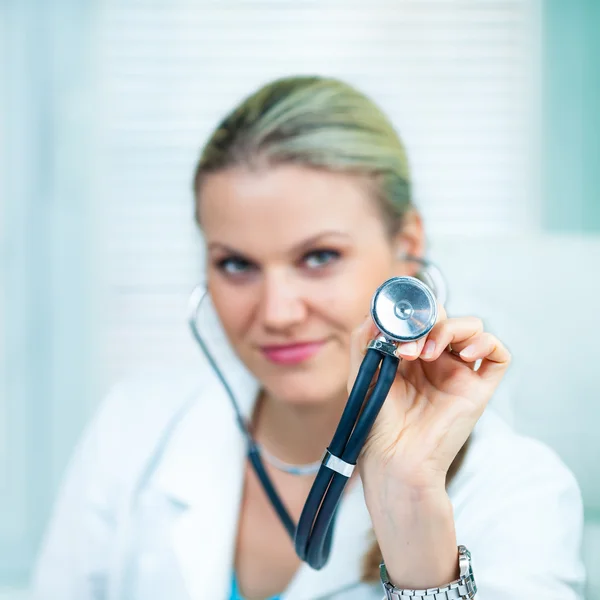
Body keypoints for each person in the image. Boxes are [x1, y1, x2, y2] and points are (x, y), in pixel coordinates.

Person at [31, 76, 586, 600]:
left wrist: (408, 502)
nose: (276, 312)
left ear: (408, 243)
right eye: (236, 265)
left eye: (319, 257)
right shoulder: (134, 428)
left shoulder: (517, 491)